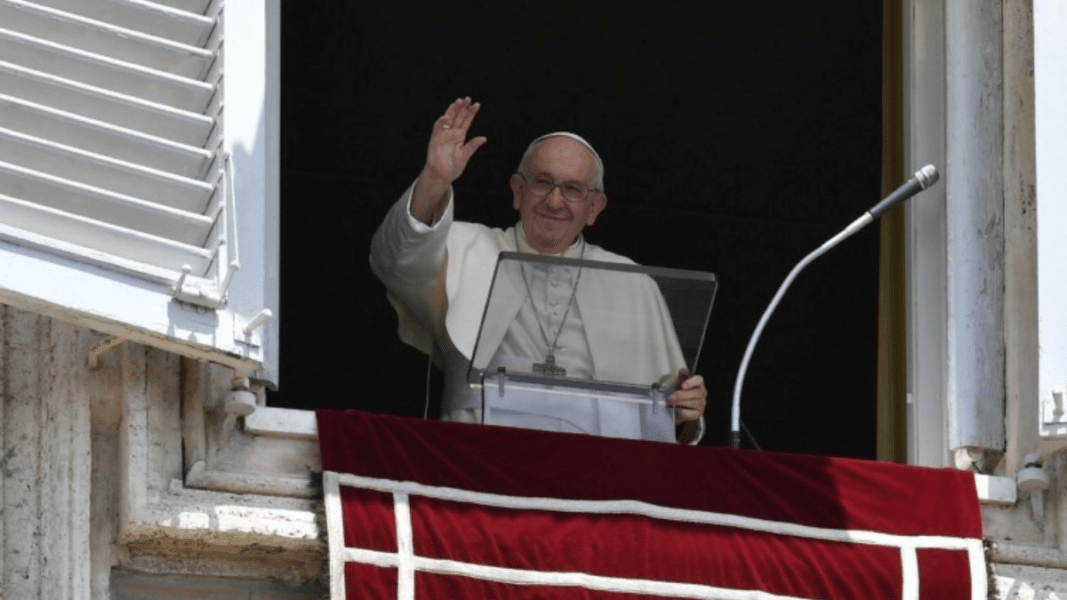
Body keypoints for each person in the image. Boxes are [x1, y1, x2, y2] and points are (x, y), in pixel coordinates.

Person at [370, 97, 707, 443]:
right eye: (543, 182)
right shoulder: (465, 246)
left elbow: (663, 409)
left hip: (595, 467)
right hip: (479, 453)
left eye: (573, 189)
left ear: (594, 209)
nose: (555, 201)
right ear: (518, 191)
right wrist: (435, 179)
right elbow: (396, 260)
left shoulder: (632, 283)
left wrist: (683, 410)